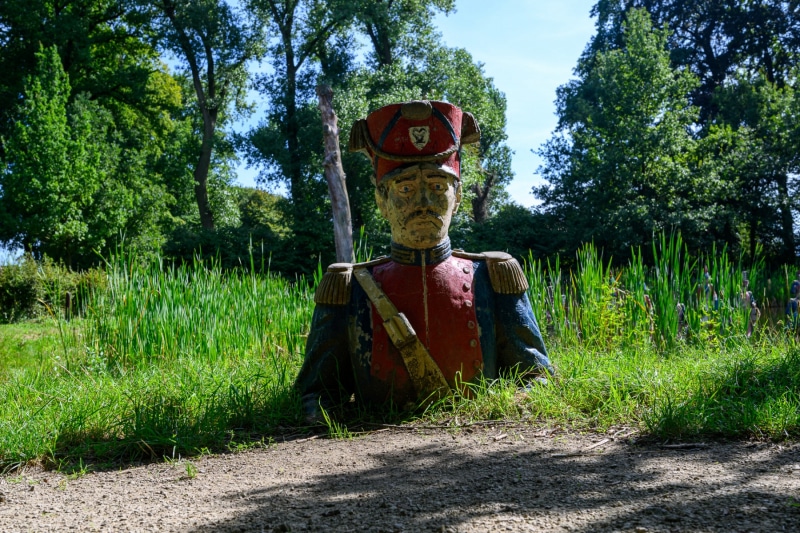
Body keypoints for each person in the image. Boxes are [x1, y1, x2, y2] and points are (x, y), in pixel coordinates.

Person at [295, 100, 553, 421]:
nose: (423, 203)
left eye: (436, 186)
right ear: (381, 201)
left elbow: (538, 377)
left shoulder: (493, 276)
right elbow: (317, 393)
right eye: (404, 188)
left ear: (457, 198)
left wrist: (514, 403)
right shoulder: (349, 287)